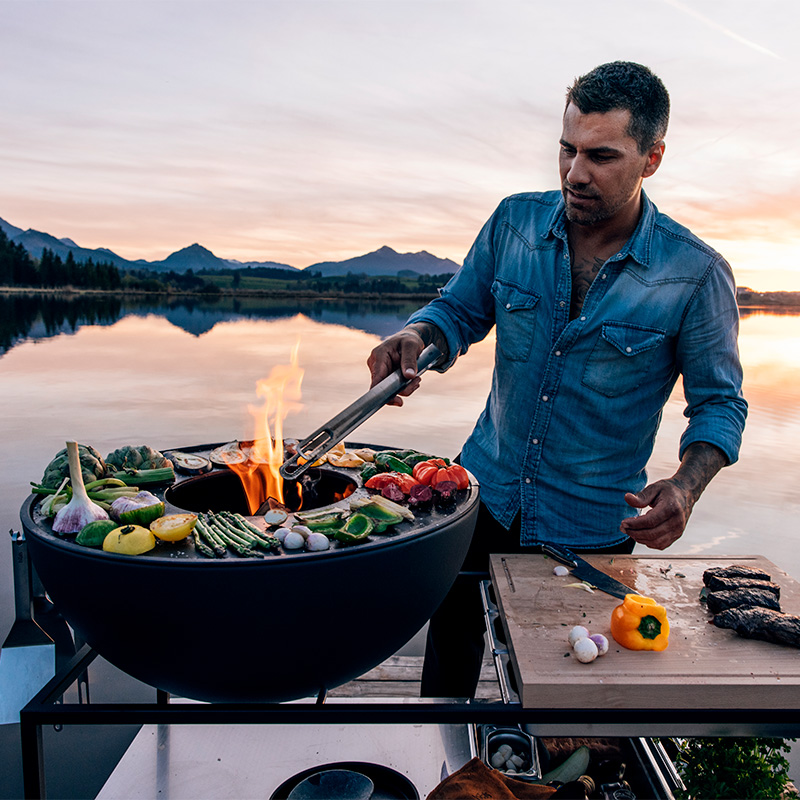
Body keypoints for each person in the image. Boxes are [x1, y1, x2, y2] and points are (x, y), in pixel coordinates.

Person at [367, 61, 747, 697]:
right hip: (478, 495)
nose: (575, 173)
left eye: (601, 156)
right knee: (448, 668)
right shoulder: (513, 223)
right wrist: (418, 336)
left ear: (652, 158)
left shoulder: (697, 274)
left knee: (570, 691)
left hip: (595, 528)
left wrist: (685, 486)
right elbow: (458, 311)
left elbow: (720, 405)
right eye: (567, 150)